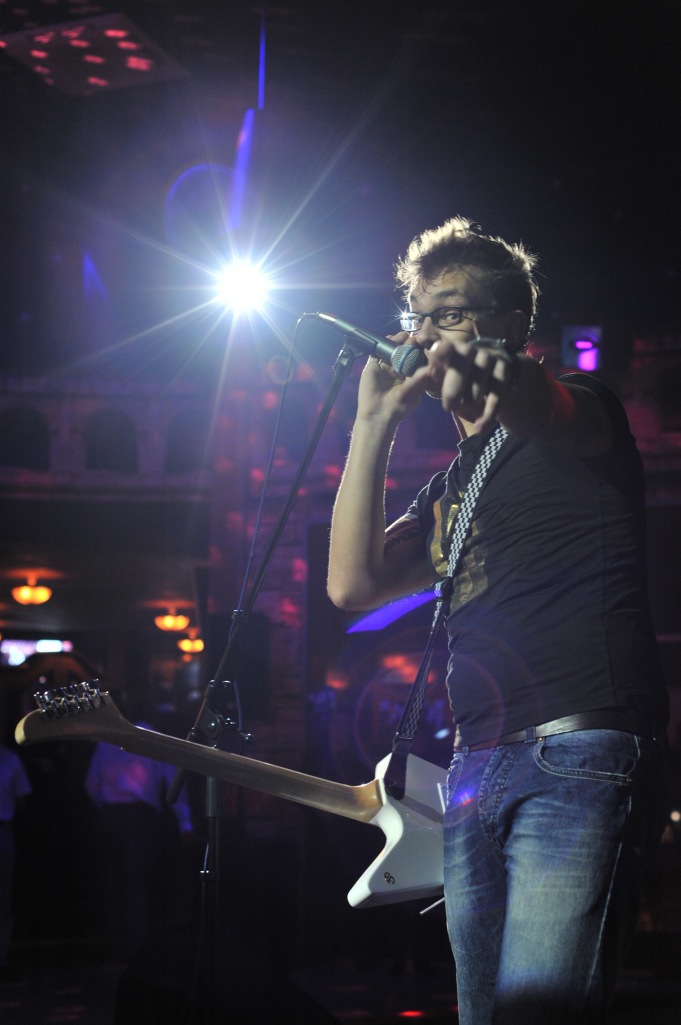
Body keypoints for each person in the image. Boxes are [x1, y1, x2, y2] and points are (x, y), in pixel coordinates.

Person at [326, 216, 669, 1024]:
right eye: (417, 316)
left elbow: (542, 402)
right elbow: (351, 583)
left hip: (576, 752)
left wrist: (494, 372)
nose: (424, 334)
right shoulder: (451, 485)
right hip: (475, 766)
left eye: (450, 312)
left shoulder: (582, 407)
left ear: (510, 324)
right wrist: (371, 424)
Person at [85, 714, 194, 960]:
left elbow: (90, 782)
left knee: (113, 879)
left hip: (111, 814)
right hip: (139, 816)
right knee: (137, 882)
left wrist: (104, 806)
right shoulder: (152, 739)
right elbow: (174, 782)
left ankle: (114, 944)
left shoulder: (108, 739)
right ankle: (135, 949)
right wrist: (185, 824)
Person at [0, 742, 32, 980]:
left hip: (3, 831)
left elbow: (22, 795)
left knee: (3, 901)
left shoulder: (10, 759)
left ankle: (1, 960)